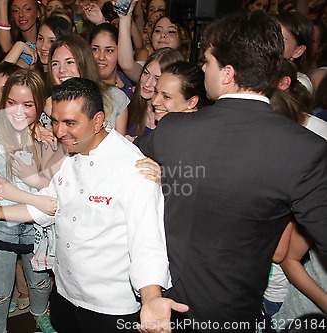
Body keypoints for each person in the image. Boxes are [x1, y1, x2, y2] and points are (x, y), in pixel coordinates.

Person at [134, 10, 327, 332]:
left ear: (226, 73)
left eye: (206, 62)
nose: (203, 69)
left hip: (160, 307)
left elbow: (126, 164)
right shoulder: (305, 150)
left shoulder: (172, 130)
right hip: (232, 315)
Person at [0, 77, 183, 333]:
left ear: (97, 120)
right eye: (56, 121)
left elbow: (147, 243)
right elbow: (49, 205)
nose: (59, 132)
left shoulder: (133, 169)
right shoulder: (71, 156)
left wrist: (150, 298)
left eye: (70, 123)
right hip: (66, 293)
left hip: (109, 307)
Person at [0, 68, 57, 333]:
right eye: (12, 103)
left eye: (28, 104)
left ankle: (41, 315)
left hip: (36, 220)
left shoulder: (49, 132)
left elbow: (55, 183)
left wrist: (44, 141)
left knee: (39, 280)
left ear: (39, 104)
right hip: (0, 221)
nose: (19, 111)